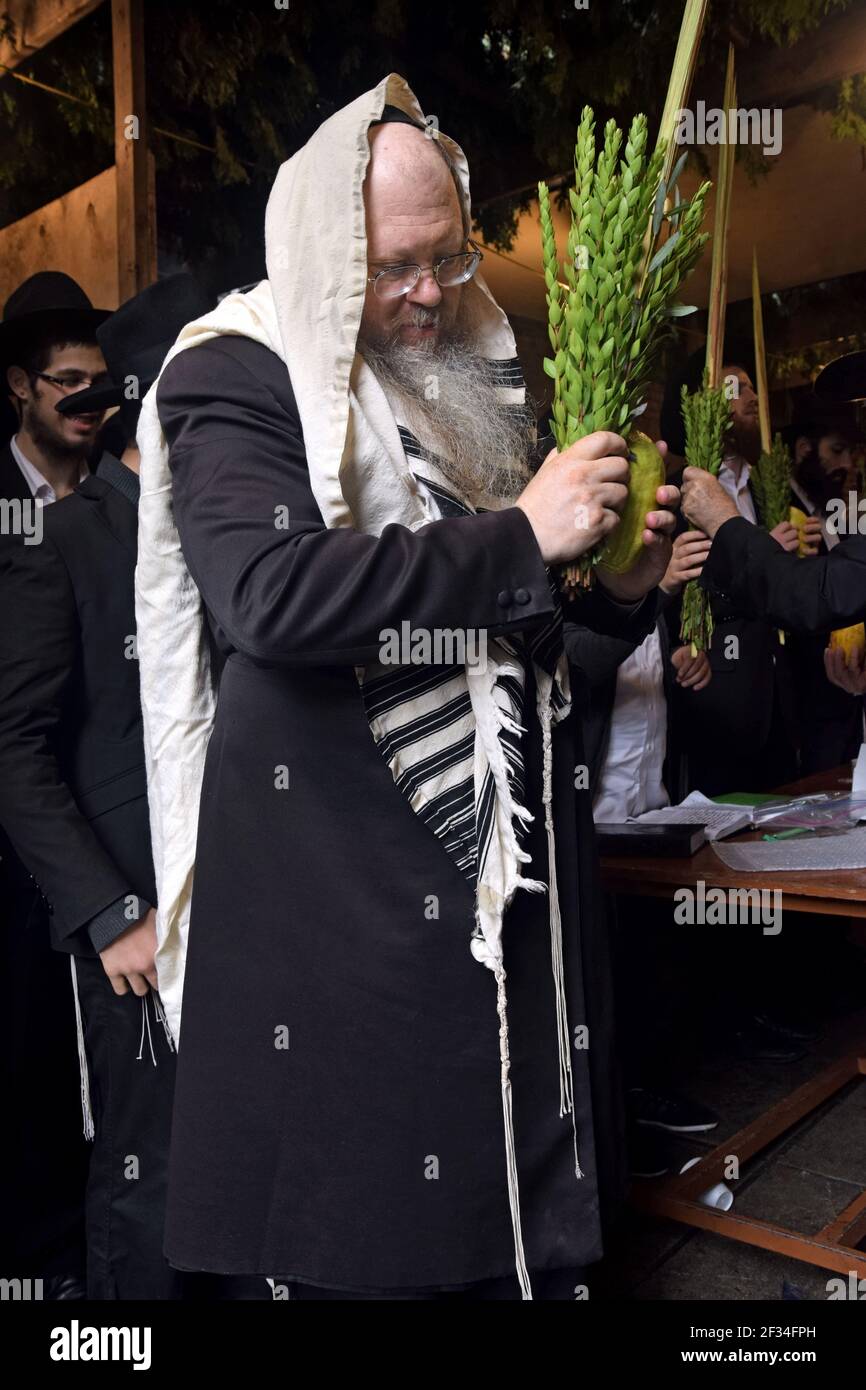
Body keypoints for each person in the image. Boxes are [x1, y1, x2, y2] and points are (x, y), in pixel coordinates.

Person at [135, 79, 679, 1301]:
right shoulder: (235, 371)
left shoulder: (455, 386)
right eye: (395, 267)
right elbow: (268, 593)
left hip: (505, 905)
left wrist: (621, 586)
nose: (431, 294)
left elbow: (518, 646)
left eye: (448, 257)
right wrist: (522, 537)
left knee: (499, 1241)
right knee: (375, 1245)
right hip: (344, 908)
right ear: (329, 255)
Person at [0, 274, 265, 1299]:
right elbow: (14, 752)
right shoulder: (64, 540)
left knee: (236, 1150)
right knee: (146, 1173)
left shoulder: (230, 530)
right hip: (135, 920)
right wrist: (112, 916)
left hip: (243, 890)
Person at [0, 271, 111, 1296]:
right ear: (20, 389)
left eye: (98, 385)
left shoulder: (118, 499)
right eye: (64, 384)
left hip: (108, 821)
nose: (85, 401)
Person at [659, 348, 799, 795]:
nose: (753, 397)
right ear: (699, 405)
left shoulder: (762, 488)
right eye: (737, 388)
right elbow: (672, 589)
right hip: (715, 705)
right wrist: (758, 555)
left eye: (753, 386)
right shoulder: (674, 493)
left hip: (776, 701)